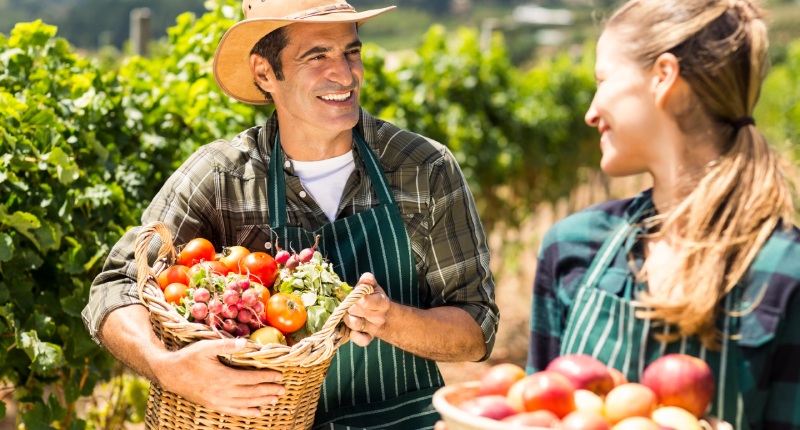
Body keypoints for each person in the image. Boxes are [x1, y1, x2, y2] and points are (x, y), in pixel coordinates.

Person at [81, 0, 499, 428]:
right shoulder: (222, 175)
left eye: (351, 52)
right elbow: (115, 287)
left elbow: (477, 328)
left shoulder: (422, 168)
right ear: (265, 73)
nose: (345, 73)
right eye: (317, 55)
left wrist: (391, 319)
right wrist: (165, 366)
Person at [527, 0, 800, 428]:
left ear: (663, 77)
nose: (591, 111)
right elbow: (536, 413)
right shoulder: (572, 245)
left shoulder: (786, 272)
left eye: (603, 81)